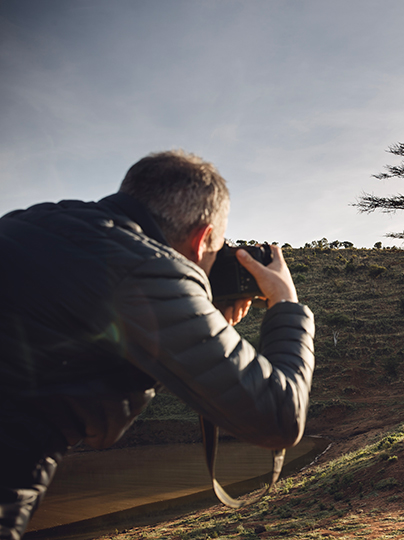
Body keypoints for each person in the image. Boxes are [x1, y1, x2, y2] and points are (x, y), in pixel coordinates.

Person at [0, 150, 315, 539]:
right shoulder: (148, 268)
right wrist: (286, 304)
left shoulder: (27, 222)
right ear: (202, 239)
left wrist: (197, 322)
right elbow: (279, 417)